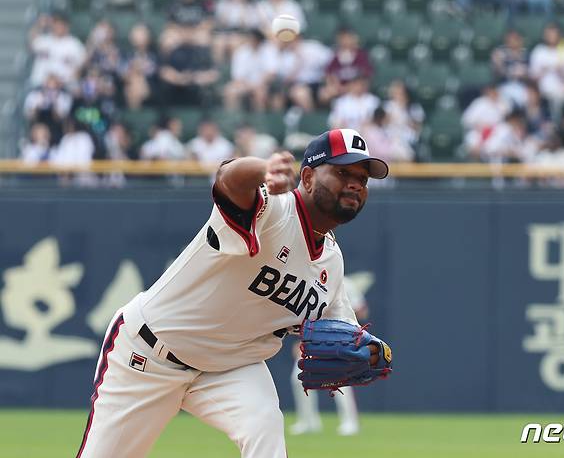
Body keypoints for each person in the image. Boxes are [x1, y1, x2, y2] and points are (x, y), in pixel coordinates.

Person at [75, 128, 391, 458]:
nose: (356, 183)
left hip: (230, 368)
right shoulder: (271, 209)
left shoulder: (332, 263)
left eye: (363, 178)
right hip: (150, 354)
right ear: (308, 177)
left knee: (264, 425)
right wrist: (263, 169)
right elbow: (229, 179)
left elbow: (349, 333)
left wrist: (373, 351)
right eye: (343, 172)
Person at [289, 275, 369, 436]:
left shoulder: (345, 283)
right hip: (315, 338)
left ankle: (350, 423)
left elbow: (362, 312)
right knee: (298, 378)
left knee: (339, 380)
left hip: (339, 337)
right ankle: (308, 422)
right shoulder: (308, 281)